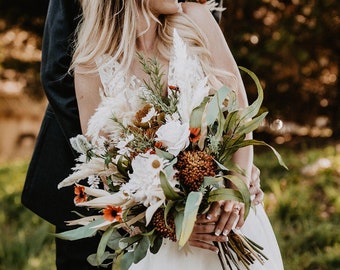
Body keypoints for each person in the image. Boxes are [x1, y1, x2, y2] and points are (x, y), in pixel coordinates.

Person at [21, 0, 263, 269]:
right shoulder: (90, 64)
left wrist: (236, 172)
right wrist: (168, 220)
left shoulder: (194, 18)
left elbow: (235, 105)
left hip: (223, 208)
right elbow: (105, 169)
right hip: (145, 218)